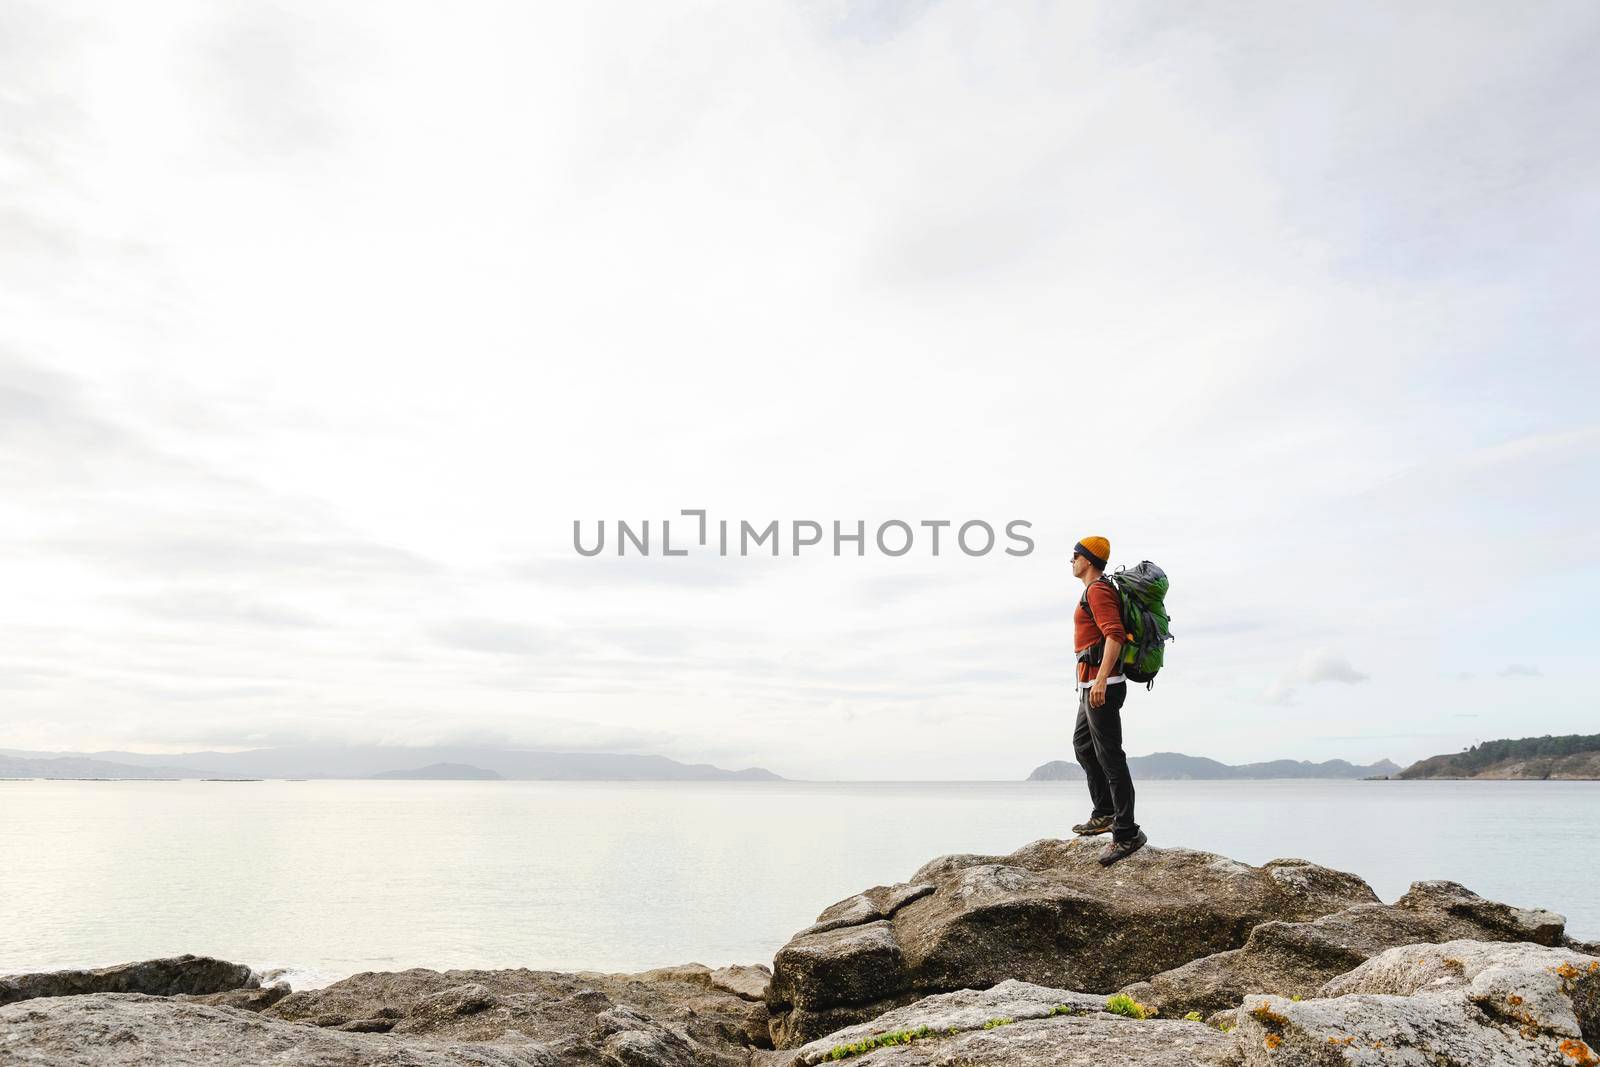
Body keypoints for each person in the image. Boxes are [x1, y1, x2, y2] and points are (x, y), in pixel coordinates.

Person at [1068, 535, 1147, 865]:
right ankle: (1104, 813)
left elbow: (1114, 635)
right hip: (1090, 684)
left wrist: (1101, 680)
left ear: (1087, 560)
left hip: (1104, 684)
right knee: (1083, 746)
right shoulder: (1093, 591)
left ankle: (1127, 832)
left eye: (1074, 556)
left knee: (1110, 756)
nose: (1071, 562)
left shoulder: (1098, 590)